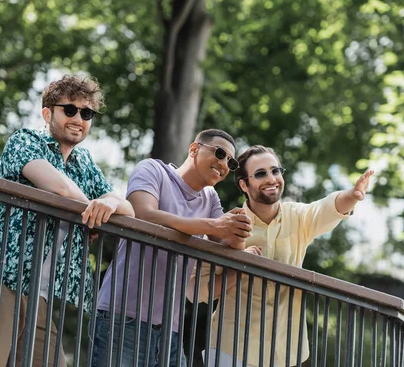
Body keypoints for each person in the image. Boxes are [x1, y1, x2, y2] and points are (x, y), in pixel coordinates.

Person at [0, 75, 135, 366]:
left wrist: (108, 203)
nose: (79, 118)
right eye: (70, 110)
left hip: (36, 292)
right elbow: (60, 189)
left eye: (87, 113)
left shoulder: (84, 162)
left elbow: (127, 208)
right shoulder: (25, 141)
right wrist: (92, 210)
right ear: (47, 113)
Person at [192, 145, 374, 366]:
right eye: (260, 174)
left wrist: (352, 196)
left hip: (283, 353)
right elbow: (197, 291)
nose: (271, 178)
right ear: (244, 184)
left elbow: (327, 208)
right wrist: (242, 268)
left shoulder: (297, 217)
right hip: (231, 349)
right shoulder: (230, 224)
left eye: (275, 171)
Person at [93, 129, 253, 367]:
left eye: (230, 161)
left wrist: (239, 228)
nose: (224, 164)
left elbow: (225, 245)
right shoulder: (153, 170)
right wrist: (216, 225)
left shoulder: (210, 198)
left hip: (170, 329)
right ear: (194, 149)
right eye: (219, 153)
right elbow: (144, 214)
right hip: (122, 317)